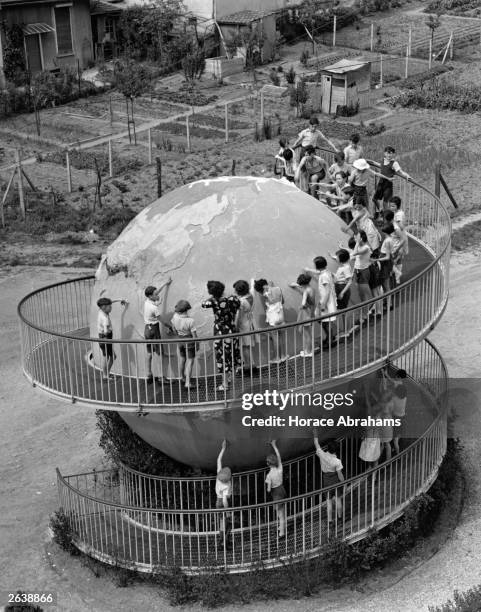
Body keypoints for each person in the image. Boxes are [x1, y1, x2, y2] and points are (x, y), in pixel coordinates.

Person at [201, 281, 241, 392]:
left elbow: (203, 304)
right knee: (231, 354)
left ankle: (225, 384)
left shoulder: (213, 301)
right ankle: (229, 379)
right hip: (232, 330)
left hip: (220, 331)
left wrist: (213, 297)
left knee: (222, 357)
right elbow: (238, 304)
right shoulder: (232, 299)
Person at [304, 256, 337, 349]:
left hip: (326, 302)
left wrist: (322, 304)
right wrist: (309, 270)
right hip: (326, 301)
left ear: (317, 266)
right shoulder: (326, 272)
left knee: (325, 321)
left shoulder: (324, 276)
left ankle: (330, 341)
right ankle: (329, 337)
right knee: (323, 321)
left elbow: (327, 291)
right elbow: (318, 272)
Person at [144, 279, 172, 385]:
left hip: (147, 329)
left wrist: (165, 284)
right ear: (151, 296)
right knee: (160, 353)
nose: (158, 295)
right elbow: (163, 321)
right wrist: (171, 327)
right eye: (155, 294)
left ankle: (149, 374)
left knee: (149, 353)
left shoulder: (147, 302)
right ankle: (161, 377)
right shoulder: (154, 307)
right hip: (154, 330)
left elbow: (156, 292)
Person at [253, 279, 287, 363]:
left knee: (275, 338)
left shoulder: (266, 294)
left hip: (273, 317)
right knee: (281, 336)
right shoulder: (278, 289)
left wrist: (254, 283)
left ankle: (277, 358)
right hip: (281, 315)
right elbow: (283, 301)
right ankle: (283, 356)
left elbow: (266, 292)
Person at [313, 434, 345, 524]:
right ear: (336, 451)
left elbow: (316, 444)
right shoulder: (337, 461)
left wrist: (315, 434)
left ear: (328, 448)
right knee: (338, 499)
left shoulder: (322, 455)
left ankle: (330, 520)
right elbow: (340, 475)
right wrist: (344, 483)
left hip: (326, 480)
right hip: (335, 480)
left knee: (329, 501)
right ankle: (339, 518)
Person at [371, 147, 411, 217]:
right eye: (387, 153)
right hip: (381, 182)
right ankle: (380, 210)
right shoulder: (383, 160)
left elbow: (400, 172)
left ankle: (385, 218)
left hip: (388, 184)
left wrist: (407, 176)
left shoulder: (394, 163)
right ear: (384, 153)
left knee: (385, 202)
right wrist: (366, 161)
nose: (389, 155)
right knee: (374, 199)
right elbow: (378, 164)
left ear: (393, 154)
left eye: (391, 154)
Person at [97, 296, 128, 381]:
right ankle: (106, 375)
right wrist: (108, 329)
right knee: (110, 357)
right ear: (104, 307)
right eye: (110, 307)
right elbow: (106, 331)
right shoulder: (105, 318)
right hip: (106, 338)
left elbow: (110, 301)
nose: (111, 308)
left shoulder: (100, 311)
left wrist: (119, 299)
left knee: (107, 356)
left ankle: (105, 374)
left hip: (101, 338)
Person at [349, 230, 374, 332]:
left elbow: (355, 253)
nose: (355, 238)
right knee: (362, 296)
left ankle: (366, 313)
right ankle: (364, 315)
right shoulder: (361, 246)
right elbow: (354, 255)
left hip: (363, 272)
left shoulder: (366, 247)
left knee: (366, 295)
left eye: (357, 236)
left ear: (362, 238)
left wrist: (357, 243)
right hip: (359, 271)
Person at [171, 299, 198, 390]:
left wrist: (178, 334)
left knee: (182, 359)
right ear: (187, 309)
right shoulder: (191, 320)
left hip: (180, 340)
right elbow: (194, 335)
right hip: (189, 341)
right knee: (190, 361)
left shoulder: (175, 317)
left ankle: (182, 377)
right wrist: (197, 344)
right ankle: (188, 382)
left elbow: (174, 329)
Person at [233, 279, 258, 374]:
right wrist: (252, 281)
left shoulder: (241, 301)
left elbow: (238, 316)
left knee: (245, 347)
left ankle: (248, 367)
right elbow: (252, 288)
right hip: (251, 322)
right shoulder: (251, 295)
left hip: (244, 325)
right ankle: (251, 364)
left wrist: (235, 326)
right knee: (248, 346)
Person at [289, 273, 316, 357]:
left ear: (303, 284)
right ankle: (309, 350)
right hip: (311, 311)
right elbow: (309, 296)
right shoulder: (311, 289)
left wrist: (301, 306)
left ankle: (308, 352)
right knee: (308, 333)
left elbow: (304, 303)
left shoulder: (305, 291)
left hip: (305, 313)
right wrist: (297, 285)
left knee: (306, 334)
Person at [329, 249, 353, 339]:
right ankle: (346, 330)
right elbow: (339, 277)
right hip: (339, 287)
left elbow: (349, 281)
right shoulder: (344, 266)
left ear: (341, 259)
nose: (336, 258)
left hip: (342, 289)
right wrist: (333, 275)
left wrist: (342, 293)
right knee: (343, 311)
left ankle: (346, 331)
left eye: (337, 257)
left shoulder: (345, 268)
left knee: (343, 311)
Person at [383, 367, 408, 454]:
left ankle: (398, 456)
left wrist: (385, 374)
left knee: (395, 441)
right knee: (397, 437)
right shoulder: (403, 392)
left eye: (396, 376)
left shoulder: (396, 394)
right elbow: (394, 384)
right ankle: (396, 450)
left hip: (396, 418)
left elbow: (391, 382)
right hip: (402, 417)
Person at [265, 440, 286, 538]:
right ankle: (282, 526)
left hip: (276, 494)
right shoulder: (279, 469)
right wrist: (274, 445)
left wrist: (268, 486)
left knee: (280, 514)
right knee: (282, 511)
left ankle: (282, 532)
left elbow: (269, 489)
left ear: (268, 464)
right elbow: (279, 456)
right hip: (282, 490)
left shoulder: (269, 476)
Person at [384, 209, 408, 285]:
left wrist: (398, 249)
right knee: (395, 263)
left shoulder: (395, 228)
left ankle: (397, 275)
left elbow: (403, 239)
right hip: (393, 246)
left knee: (391, 263)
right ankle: (397, 279)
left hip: (395, 248)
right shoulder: (391, 225)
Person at [216, 439, 232, 543]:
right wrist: (227, 512)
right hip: (223, 502)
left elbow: (218, 460)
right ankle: (225, 540)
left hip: (218, 501)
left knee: (221, 521)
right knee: (227, 521)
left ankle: (221, 538)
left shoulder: (218, 477)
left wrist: (223, 448)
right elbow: (225, 500)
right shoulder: (227, 484)